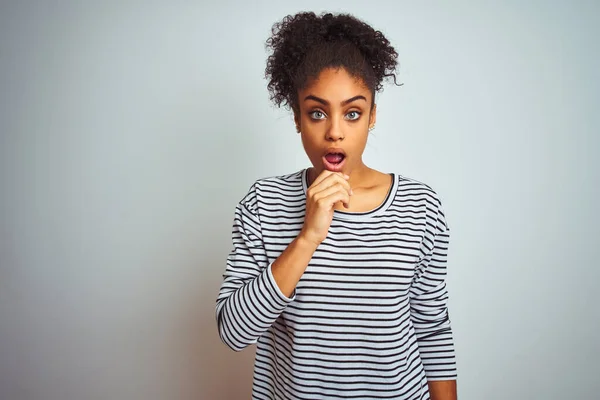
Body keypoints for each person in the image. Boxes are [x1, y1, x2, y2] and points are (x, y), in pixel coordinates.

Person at [216, 11, 457, 400]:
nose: (334, 132)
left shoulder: (420, 206)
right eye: (316, 113)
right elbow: (233, 332)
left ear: (372, 116)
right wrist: (309, 235)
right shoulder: (263, 204)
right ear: (296, 118)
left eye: (352, 112)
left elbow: (432, 329)